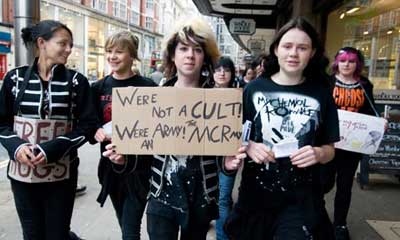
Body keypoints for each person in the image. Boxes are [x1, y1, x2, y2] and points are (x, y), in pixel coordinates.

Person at [102, 18, 245, 240]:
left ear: (205, 56)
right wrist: (124, 160)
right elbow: (144, 150)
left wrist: (227, 166)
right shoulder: (153, 97)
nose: (190, 55)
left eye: (197, 49)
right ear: (172, 54)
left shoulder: (220, 104)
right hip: (161, 194)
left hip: (202, 196)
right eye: (183, 48)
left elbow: (222, 156)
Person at [225, 17, 340, 240]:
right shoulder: (253, 90)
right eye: (287, 46)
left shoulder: (322, 93)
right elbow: (234, 136)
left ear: (313, 52)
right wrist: (248, 147)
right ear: (276, 49)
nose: (293, 53)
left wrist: (318, 153)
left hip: (302, 200)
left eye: (302, 48)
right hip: (255, 197)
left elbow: (331, 149)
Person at [0, 20, 96, 240]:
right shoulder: (14, 78)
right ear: (42, 43)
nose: (69, 49)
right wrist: (17, 147)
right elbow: (1, 123)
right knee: (32, 233)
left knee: (57, 233)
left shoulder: (77, 82)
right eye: (63, 43)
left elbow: (88, 126)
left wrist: (51, 149)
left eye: (70, 44)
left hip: (62, 176)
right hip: (22, 175)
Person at [90, 31, 157, 240]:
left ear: (132, 55)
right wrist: (95, 130)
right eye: (109, 51)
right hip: (111, 169)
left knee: (130, 228)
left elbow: (158, 128)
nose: (112, 56)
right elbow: (88, 124)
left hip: (140, 170)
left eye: (119, 52)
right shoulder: (98, 88)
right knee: (124, 223)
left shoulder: (149, 87)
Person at [326, 47, 381, 240]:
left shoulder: (364, 85)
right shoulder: (327, 82)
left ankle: (340, 223)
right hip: (328, 144)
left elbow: (371, 112)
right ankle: (317, 216)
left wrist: (380, 124)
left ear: (357, 64)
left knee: (344, 185)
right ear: (336, 63)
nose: (346, 64)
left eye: (351, 61)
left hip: (352, 146)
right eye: (343, 60)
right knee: (323, 183)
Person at [212, 56, 241, 240]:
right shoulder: (201, 93)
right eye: (218, 69)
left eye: (226, 69)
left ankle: (222, 237)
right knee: (212, 197)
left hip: (228, 156)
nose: (222, 73)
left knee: (223, 198)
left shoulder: (240, 96)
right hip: (205, 157)